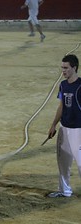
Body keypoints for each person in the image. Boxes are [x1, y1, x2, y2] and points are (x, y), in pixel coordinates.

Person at [46, 54, 81, 198]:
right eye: (62, 68)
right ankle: (64, 190)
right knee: (63, 163)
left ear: (74, 68)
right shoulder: (63, 85)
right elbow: (61, 106)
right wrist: (53, 125)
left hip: (78, 130)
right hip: (64, 128)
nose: (63, 71)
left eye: (66, 68)